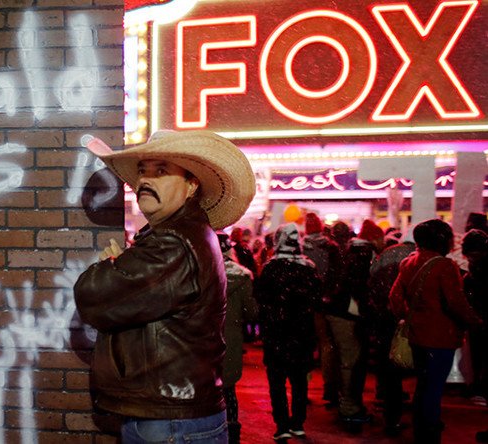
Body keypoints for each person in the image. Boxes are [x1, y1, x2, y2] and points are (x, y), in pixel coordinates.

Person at [74, 130, 256, 444]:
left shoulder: (174, 242)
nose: (146, 180)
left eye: (161, 171)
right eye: (143, 171)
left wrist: (110, 267)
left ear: (191, 185)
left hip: (171, 423)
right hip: (174, 418)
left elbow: (91, 295)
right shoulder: (180, 235)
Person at [390, 219, 483, 444]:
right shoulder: (445, 266)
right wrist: (475, 322)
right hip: (440, 336)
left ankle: (421, 428)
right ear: (442, 239)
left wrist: (409, 316)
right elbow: (455, 303)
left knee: (423, 385)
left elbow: (393, 298)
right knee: (434, 387)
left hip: (416, 335)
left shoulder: (408, 263)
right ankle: (429, 432)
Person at [256, 224, 321, 440]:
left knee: (277, 381)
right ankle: (298, 423)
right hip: (301, 333)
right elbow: (315, 300)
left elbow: (262, 302)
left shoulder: (270, 268)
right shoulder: (308, 268)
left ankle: (282, 425)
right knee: (299, 380)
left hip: (276, 333)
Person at [327, 219, 385, 427]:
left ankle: (345, 403)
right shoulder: (364, 253)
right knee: (351, 361)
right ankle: (349, 408)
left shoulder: (350, 250)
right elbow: (358, 285)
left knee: (344, 359)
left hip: (338, 311)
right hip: (348, 314)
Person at [366, 227, 416, 435]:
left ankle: (391, 416)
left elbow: (372, 282)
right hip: (411, 318)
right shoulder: (419, 257)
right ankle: (420, 416)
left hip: (385, 318)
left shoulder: (387, 254)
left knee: (389, 369)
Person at [217, 233, 258, 443]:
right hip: (231, 339)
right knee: (229, 389)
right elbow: (251, 312)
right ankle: (232, 433)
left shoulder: (201, 273)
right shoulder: (242, 277)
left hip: (205, 338)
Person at [301, 212, 342, 407]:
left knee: (305, 345)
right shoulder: (330, 247)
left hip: (304, 302)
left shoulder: (300, 246)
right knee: (327, 344)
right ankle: (329, 388)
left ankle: (304, 386)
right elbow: (336, 274)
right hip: (325, 301)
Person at [462, 229, 488, 407]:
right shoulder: (475, 269)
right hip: (477, 317)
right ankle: (479, 386)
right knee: (478, 353)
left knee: (480, 353)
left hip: (479, 316)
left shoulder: (476, 271)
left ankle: (480, 387)